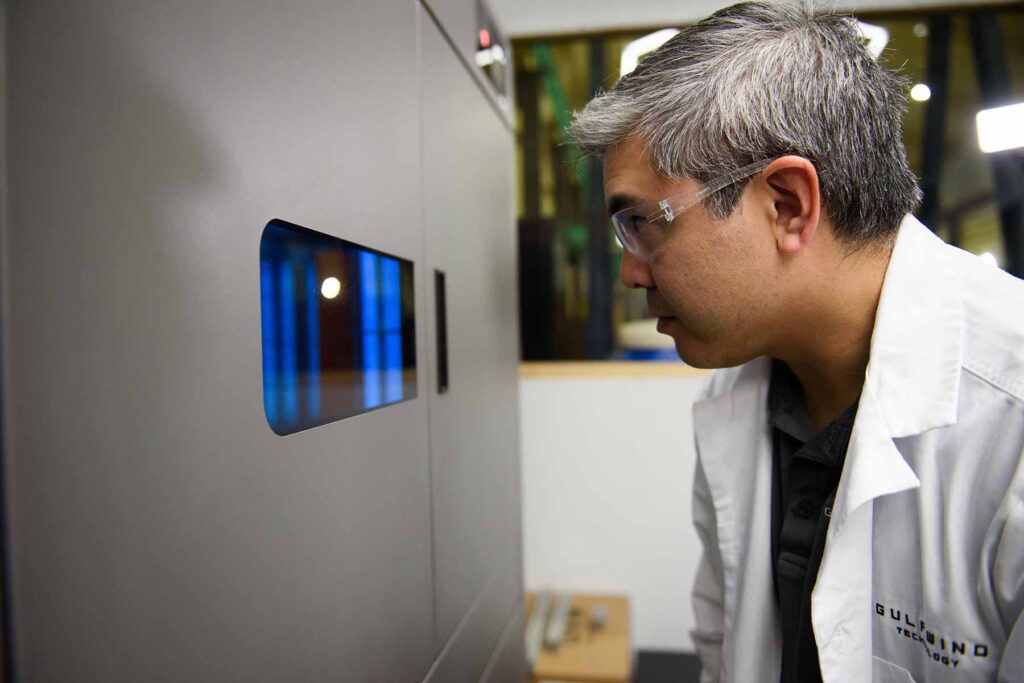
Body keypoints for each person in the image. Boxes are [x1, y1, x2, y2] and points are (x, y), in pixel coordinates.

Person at [567, 2, 1024, 681]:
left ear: (787, 204)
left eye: (642, 222)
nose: (631, 271)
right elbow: (724, 646)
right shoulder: (737, 393)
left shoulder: (1008, 417)